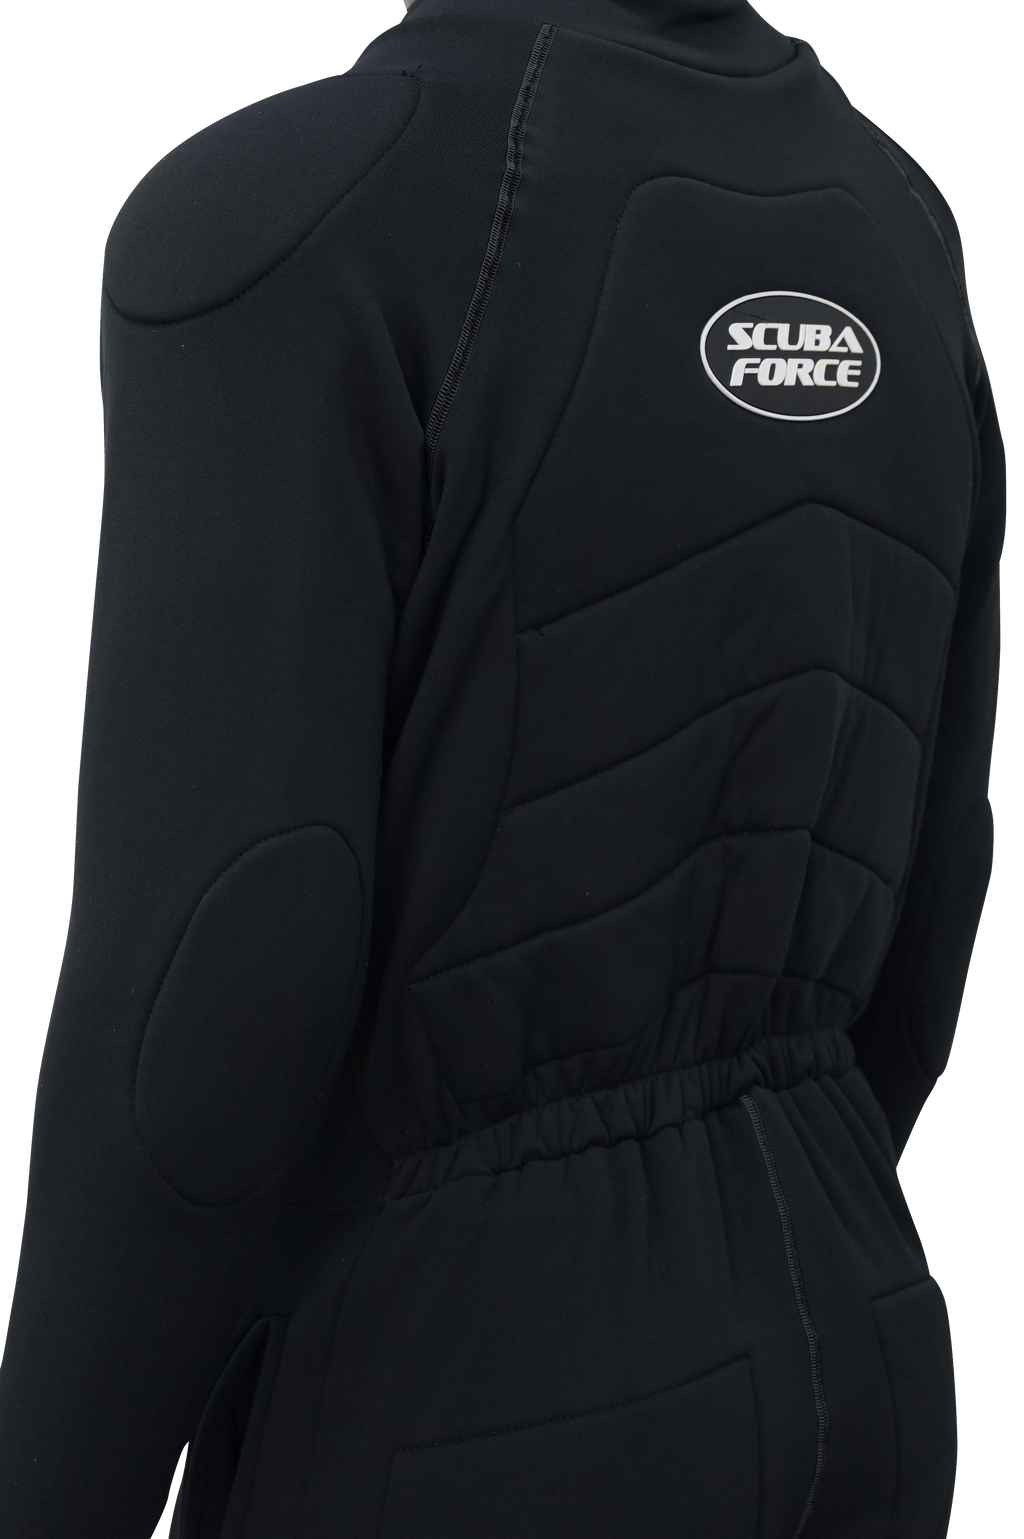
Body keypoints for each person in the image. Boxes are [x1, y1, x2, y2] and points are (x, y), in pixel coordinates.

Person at [0, 2, 1003, 1534]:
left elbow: (207, 1001)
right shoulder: (899, 216)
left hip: (462, 1399)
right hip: (867, 1343)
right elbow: (936, 919)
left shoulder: (290, 214)